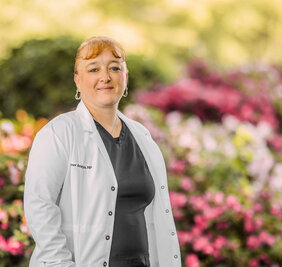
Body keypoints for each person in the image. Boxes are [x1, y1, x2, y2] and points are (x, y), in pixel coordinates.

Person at [24, 36, 181, 267]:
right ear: (78, 81)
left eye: (114, 68)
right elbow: (40, 206)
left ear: (125, 78)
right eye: (93, 68)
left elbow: (158, 216)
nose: (105, 77)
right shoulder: (58, 134)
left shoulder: (142, 137)